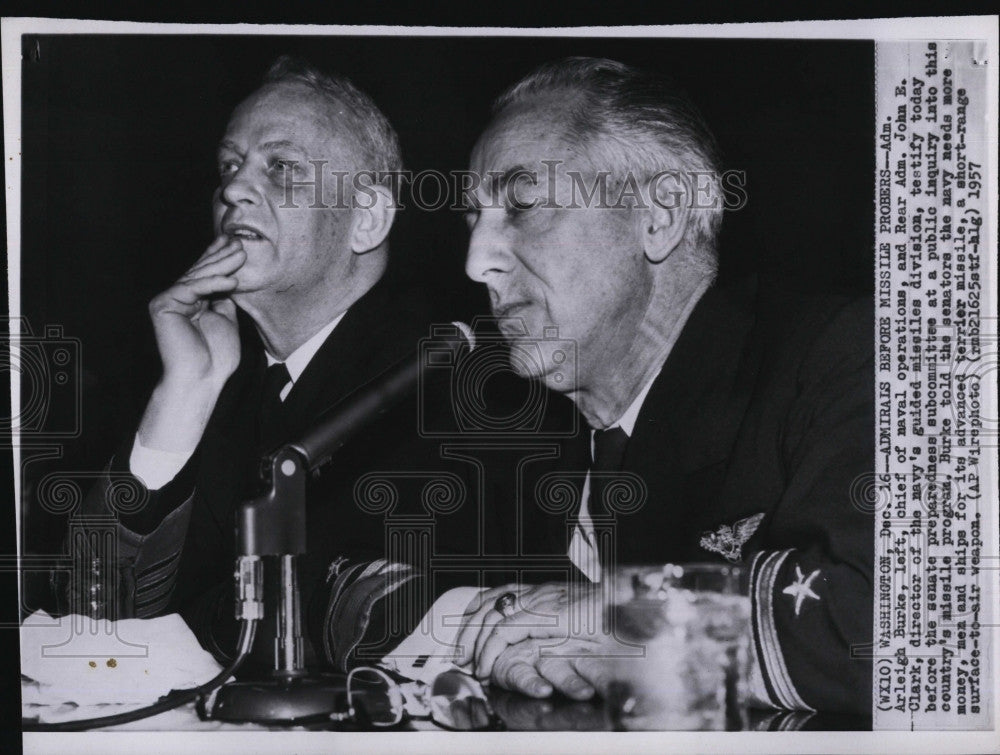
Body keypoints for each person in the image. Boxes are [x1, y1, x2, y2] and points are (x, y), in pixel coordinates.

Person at [451, 57, 874, 716]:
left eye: (524, 203)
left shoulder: (844, 354)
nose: (479, 260)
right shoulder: (527, 450)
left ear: (659, 214)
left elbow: (908, 624)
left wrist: (634, 618)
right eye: (473, 219)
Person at [69, 56, 471, 672]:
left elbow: (374, 614)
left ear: (365, 219)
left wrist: (184, 623)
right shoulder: (226, 372)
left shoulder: (450, 376)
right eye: (230, 165)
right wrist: (186, 391)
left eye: (281, 167)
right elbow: (90, 616)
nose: (232, 189)